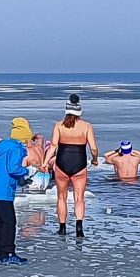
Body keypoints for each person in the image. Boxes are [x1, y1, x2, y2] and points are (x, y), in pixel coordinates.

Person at [49, 94, 98, 237]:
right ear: (79, 112)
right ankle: (79, 229)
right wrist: (94, 159)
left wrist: (45, 162)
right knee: (79, 198)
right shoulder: (86, 126)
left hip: (62, 163)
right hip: (79, 164)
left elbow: (53, 146)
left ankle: (62, 228)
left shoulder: (59, 125)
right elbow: (93, 148)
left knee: (61, 197)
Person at [0, 122, 32, 262]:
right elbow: (13, 169)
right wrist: (28, 171)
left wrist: (21, 179)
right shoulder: (16, 148)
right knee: (9, 223)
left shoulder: (0, 147)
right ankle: (8, 253)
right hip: (3, 192)